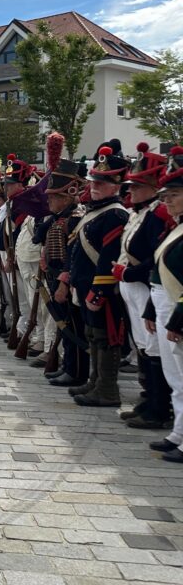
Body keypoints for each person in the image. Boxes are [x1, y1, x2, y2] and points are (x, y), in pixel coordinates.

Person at [66, 141, 130, 407]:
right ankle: (94, 381)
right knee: (93, 333)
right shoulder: (97, 211)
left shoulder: (114, 214)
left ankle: (107, 389)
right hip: (85, 284)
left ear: (116, 186)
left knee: (105, 337)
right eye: (94, 182)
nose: (94, 186)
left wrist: (99, 289)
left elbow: (108, 256)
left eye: (101, 183)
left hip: (101, 287)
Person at [114, 142, 172, 429]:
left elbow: (155, 257)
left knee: (155, 347)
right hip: (133, 288)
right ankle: (148, 398)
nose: (131, 191)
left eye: (137, 187)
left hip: (146, 287)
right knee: (144, 347)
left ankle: (159, 407)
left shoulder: (158, 214)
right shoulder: (141, 212)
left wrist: (129, 273)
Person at [146, 145, 183, 463]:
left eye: (173, 195)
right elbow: (157, 271)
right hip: (164, 304)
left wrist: (178, 318)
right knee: (175, 375)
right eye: (165, 195)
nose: (166, 201)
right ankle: (179, 432)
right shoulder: (176, 228)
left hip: (177, 309)